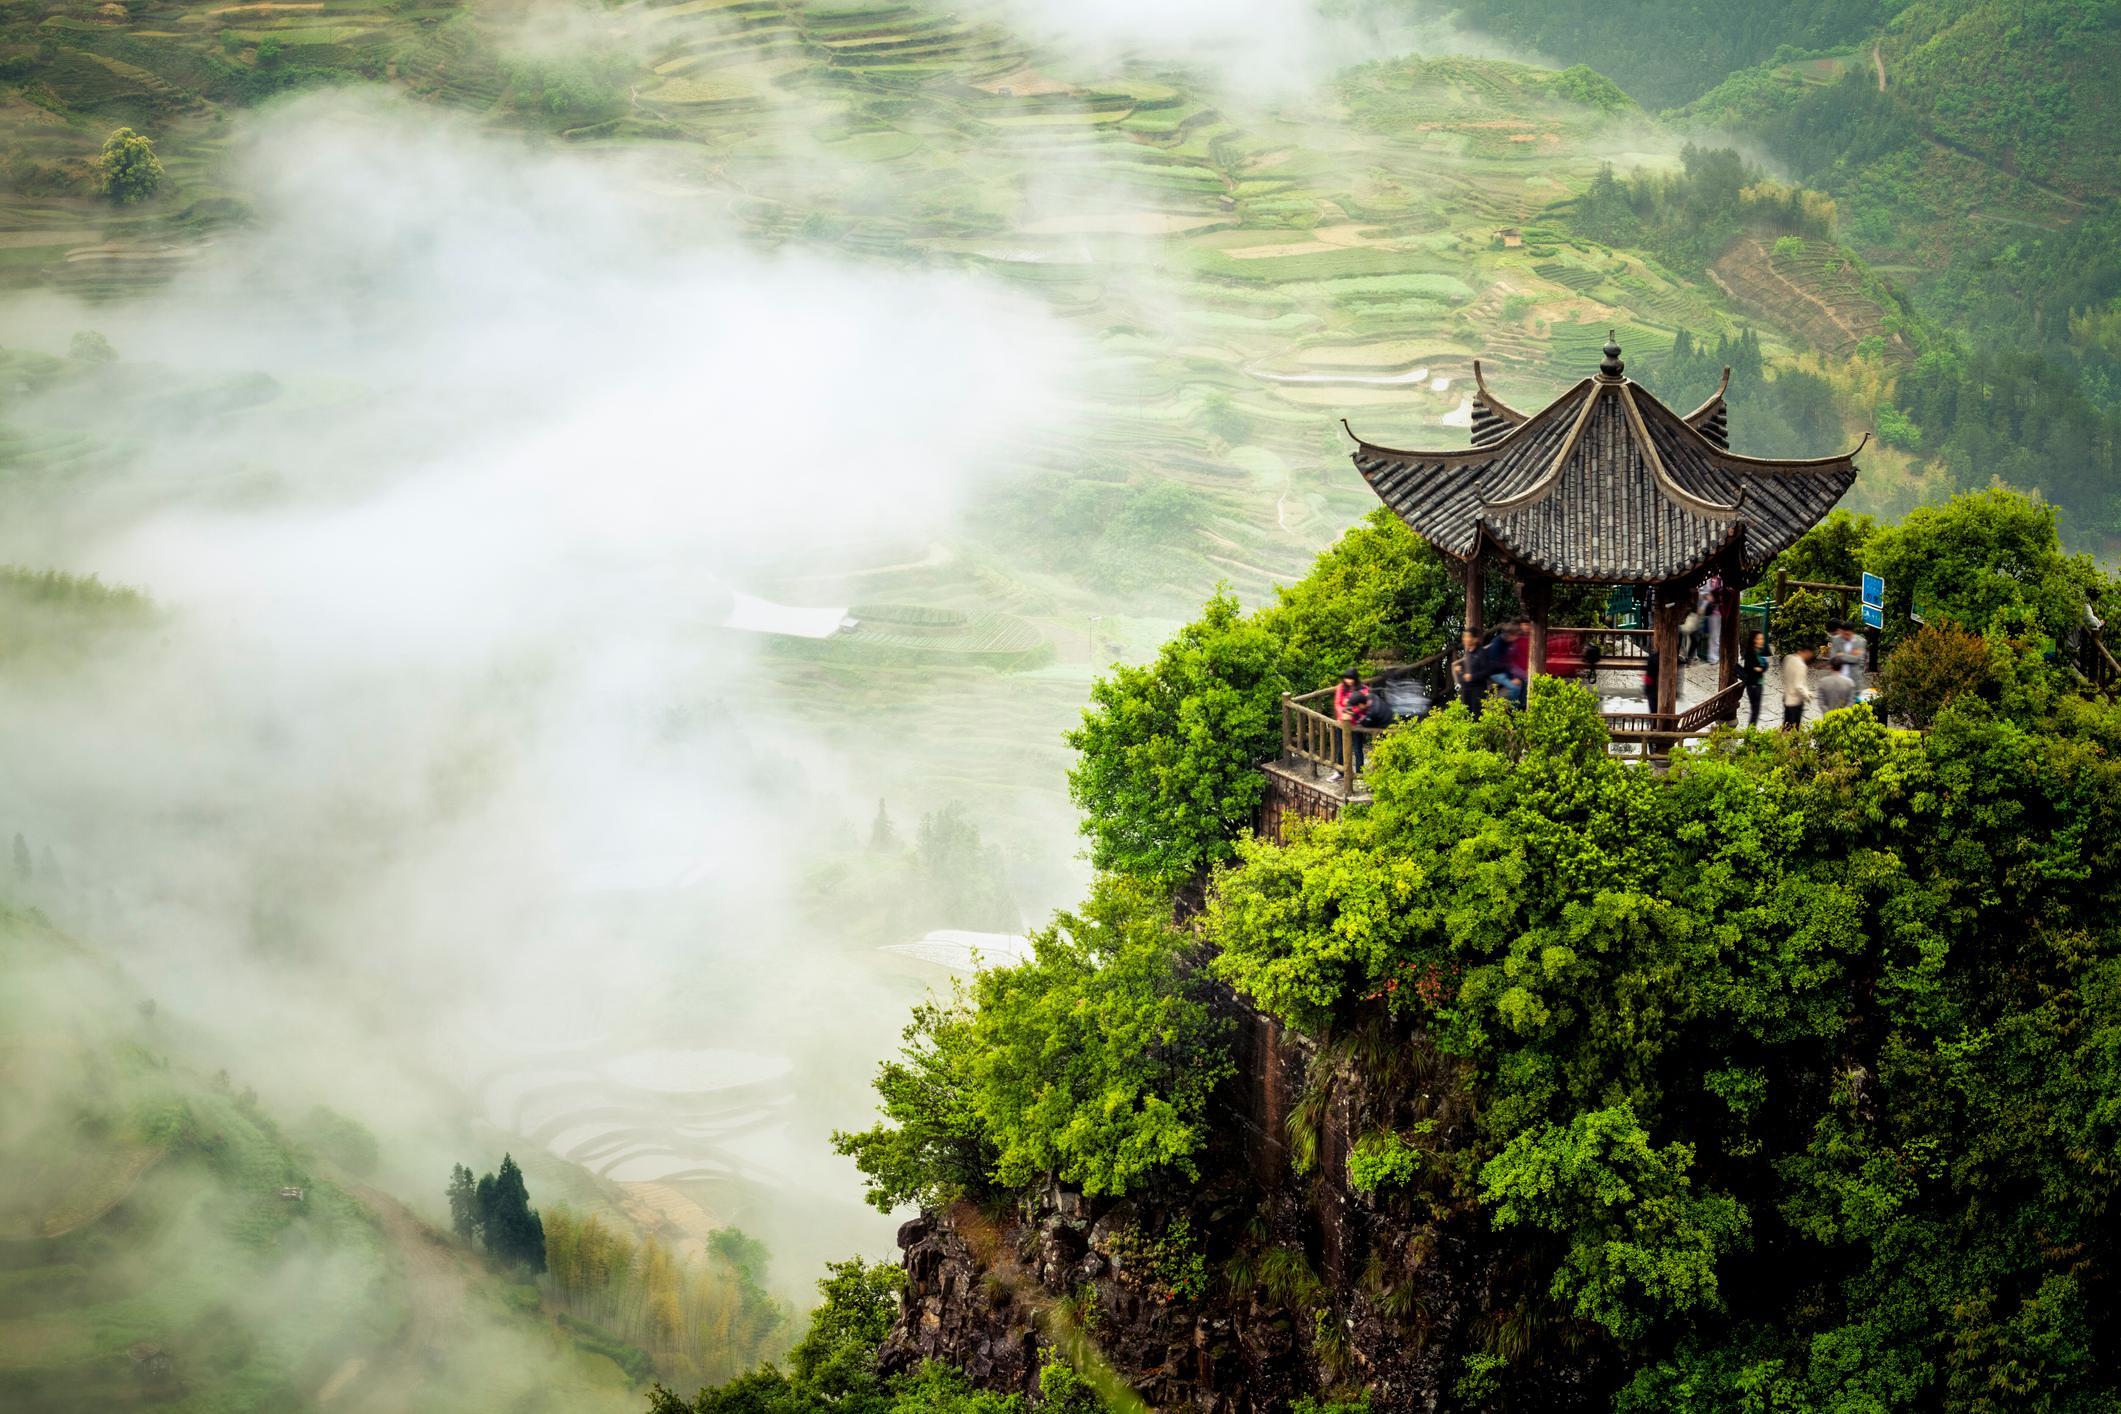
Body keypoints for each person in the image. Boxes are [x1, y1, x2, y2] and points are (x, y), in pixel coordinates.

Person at [1329, 669, 1372, 780]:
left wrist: (1351, 712)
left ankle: (1360, 773)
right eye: (1346, 678)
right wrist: (1343, 714)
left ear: (1355, 678)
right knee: (1341, 748)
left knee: (1358, 748)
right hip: (1342, 722)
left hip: (1356, 723)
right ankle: (1340, 772)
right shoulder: (1341, 687)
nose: (1348, 681)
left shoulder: (1363, 689)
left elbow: (1364, 705)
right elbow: (1337, 703)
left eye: (1351, 678)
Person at [1455, 626, 1493, 715]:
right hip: (1467, 689)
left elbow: (1487, 672)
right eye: (1464, 636)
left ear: (1475, 639)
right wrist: (1460, 671)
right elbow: (1467, 673)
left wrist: (1472, 676)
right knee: (1466, 715)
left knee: (1476, 717)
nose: (1464, 639)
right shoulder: (1468, 652)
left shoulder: (1481, 653)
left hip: (1478, 690)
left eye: (1467, 636)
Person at [1737, 628, 1769, 726]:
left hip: (1757, 684)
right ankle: (1750, 733)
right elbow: (1752, 669)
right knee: (1755, 711)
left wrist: (1761, 668)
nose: (1761, 641)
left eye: (1762, 639)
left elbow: (1762, 668)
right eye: (1759, 639)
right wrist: (1761, 668)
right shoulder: (1751, 653)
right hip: (1753, 685)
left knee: (1756, 711)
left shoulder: (1758, 652)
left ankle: (1751, 731)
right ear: (1754, 640)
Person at [1781, 643, 1816, 729]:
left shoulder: (1788, 658)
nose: (1810, 657)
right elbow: (1798, 686)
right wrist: (1807, 695)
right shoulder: (1801, 665)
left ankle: (1782, 741)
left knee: (1786, 726)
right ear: (1807, 652)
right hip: (1795, 701)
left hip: (1787, 698)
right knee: (1794, 728)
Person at [1830, 622, 1867, 692]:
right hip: (1839, 678)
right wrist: (1851, 656)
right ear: (1842, 632)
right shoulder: (1836, 640)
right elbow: (1833, 658)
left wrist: (1841, 655)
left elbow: (1857, 659)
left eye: (1848, 634)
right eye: (1844, 634)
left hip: (1854, 680)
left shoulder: (1861, 641)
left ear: (1853, 632)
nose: (1846, 636)